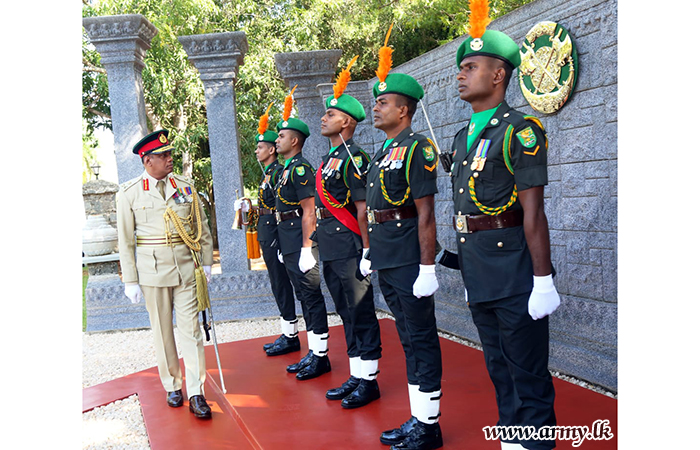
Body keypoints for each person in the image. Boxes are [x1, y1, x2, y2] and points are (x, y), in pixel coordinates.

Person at [450, 2, 561, 448]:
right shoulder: (463, 137)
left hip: (515, 272)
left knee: (527, 374)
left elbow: (532, 212)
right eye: (461, 67)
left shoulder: (521, 130)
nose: (461, 73)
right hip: (480, 271)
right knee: (498, 368)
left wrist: (543, 279)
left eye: (471, 66)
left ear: (498, 75)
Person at [366, 27, 444, 450]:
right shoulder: (382, 152)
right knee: (407, 337)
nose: (375, 109)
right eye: (376, 102)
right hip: (387, 256)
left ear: (404, 110)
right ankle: (419, 418)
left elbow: (426, 213)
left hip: (410, 259)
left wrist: (428, 266)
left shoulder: (418, 148)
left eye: (383, 103)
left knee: (420, 336)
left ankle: (429, 427)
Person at [116, 129, 214, 419]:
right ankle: (173, 385)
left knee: (192, 331)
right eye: (163, 156)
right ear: (147, 162)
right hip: (152, 271)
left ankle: (197, 391)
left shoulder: (185, 186)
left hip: (186, 268)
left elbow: (201, 226)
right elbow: (125, 240)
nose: (170, 159)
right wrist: (130, 280)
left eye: (170, 154)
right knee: (162, 331)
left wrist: (206, 262)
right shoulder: (130, 193)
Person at [316, 56, 383, 409]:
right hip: (330, 246)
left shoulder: (355, 158)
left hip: (349, 244)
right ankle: (357, 373)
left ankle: (369, 380)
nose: (324, 118)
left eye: (330, 115)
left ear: (346, 121)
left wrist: (368, 249)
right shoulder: (329, 159)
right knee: (344, 309)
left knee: (360, 309)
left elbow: (361, 208)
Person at [275, 87, 332, 381]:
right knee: (301, 293)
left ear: (295, 141)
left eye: (282, 136)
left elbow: (309, 211)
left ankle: (321, 356)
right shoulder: (287, 169)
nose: (277, 140)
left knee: (311, 296)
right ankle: (313, 352)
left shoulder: (300, 170)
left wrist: (308, 248)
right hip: (288, 239)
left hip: (301, 240)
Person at [234, 106, 300, 357]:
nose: (257, 151)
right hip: (267, 231)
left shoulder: (279, 173)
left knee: (282, 282)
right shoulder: (268, 175)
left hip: (276, 234)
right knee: (276, 281)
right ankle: (287, 331)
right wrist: (246, 209)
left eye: (261, 147)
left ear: (272, 149)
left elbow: (279, 208)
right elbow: (265, 207)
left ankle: (291, 335)